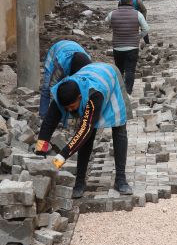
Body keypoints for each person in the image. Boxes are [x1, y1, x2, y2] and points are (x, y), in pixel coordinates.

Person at [34, 62, 133, 198]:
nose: (69, 111)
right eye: (66, 108)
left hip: (110, 78)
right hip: (91, 73)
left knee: (119, 128)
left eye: (71, 107)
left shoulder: (94, 96)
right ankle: (80, 182)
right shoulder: (61, 95)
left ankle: (121, 179)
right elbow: (48, 123)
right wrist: (39, 154)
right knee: (86, 137)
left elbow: (84, 131)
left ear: (80, 98)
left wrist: (59, 159)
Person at [107, 0, 150, 95]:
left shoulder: (112, 14)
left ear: (120, 2)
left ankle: (119, 91)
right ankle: (128, 92)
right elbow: (146, 29)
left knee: (119, 70)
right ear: (132, 2)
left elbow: (106, 22)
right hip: (132, 48)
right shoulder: (137, 14)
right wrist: (138, 37)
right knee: (130, 70)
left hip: (117, 47)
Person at [39, 40, 92, 118]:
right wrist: (57, 108)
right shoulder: (61, 64)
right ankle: (43, 115)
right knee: (46, 88)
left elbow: (86, 88)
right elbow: (53, 86)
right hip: (56, 53)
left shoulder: (88, 66)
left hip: (73, 48)